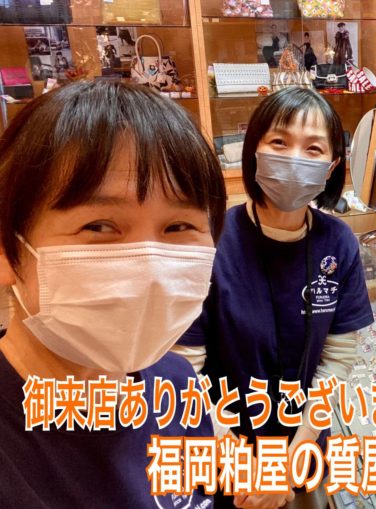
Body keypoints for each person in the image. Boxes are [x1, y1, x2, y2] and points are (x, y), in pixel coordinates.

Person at [0, 81, 227, 507]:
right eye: (99, 226)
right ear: (6, 249)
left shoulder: (177, 384)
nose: (151, 270)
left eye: (178, 226)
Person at [175, 87, 374, 508]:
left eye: (314, 148)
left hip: (303, 447)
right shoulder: (211, 242)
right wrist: (241, 462)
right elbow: (184, 371)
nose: (295, 158)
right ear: (254, 151)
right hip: (225, 456)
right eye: (280, 142)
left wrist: (293, 456)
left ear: (331, 167)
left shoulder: (338, 243)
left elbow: (337, 360)